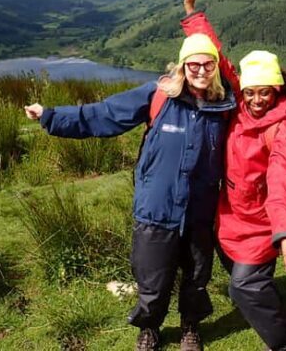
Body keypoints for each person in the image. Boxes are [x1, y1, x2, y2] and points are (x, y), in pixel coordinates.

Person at [24, 30, 237, 351]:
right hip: (155, 209)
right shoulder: (159, 96)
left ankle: (190, 328)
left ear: (216, 68)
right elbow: (103, 114)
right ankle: (149, 328)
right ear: (182, 66)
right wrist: (51, 116)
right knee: (152, 281)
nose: (201, 71)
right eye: (194, 65)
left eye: (208, 65)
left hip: (199, 212)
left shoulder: (223, 106)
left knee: (196, 279)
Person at [180, 0, 286, 351]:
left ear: (278, 89)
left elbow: (282, 181)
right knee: (242, 277)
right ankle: (265, 301)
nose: (258, 100)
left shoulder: (284, 129)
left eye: (265, 93)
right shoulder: (239, 105)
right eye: (252, 92)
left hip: (261, 222)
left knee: (243, 284)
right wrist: (193, 15)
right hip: (228, 215)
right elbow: (222, 63)